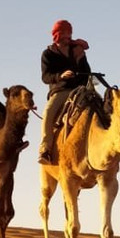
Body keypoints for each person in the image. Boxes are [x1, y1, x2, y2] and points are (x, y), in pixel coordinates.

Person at [38, 19, 91, 165]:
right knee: (48, 112)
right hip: (60, 90)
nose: (68, 36)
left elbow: (87, 71)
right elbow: (45, 77)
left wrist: (80, 79)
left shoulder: (78, 50)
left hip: (80, 89)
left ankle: (116, 147)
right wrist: (60, 76)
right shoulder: (48, 54)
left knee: (101, 106)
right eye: (65, 33)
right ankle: (45, 149)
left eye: (69, 32)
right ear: (58, 34)